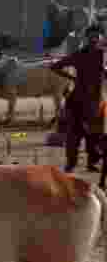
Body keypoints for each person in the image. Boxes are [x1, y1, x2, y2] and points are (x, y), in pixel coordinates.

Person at [50, 24, 106, 176]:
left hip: (96, 102)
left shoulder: (103, 55)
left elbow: (54, 67)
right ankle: (71, 164)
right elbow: (54, 66)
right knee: (74, 134)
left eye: (97, 36)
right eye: (92, 36)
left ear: (101, 38)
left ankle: (91, 163)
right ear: (87, 38)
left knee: (95, 135)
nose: (94, 39)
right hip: (79, 101)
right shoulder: (80, 55)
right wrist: (73, 78)